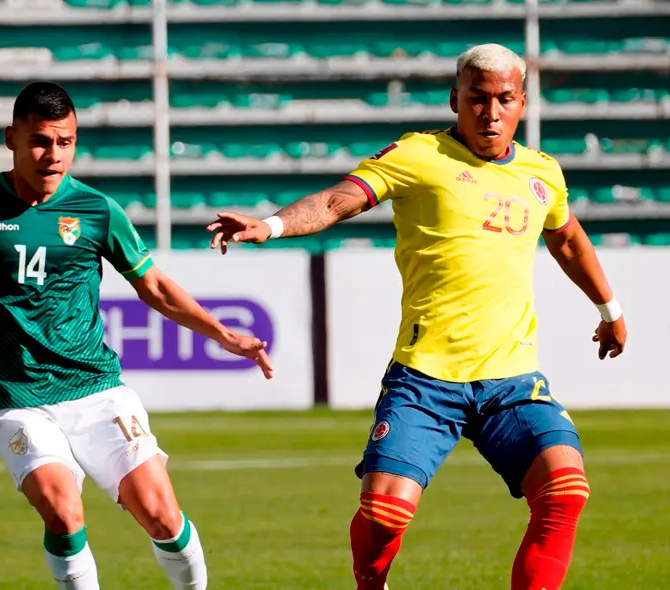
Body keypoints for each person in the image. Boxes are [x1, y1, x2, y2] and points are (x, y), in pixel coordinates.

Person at [206, 43, 627, 590]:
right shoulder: (417, 155)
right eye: (477, 98)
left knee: (565, 489)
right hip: (426, 379)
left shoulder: (542, 173)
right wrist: (272, 225)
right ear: (456, 99)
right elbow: (338, 201)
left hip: (513, 380)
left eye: (504, 99)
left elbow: (567, 240)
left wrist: (610, 309)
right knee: (384, 516)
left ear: (522, 103)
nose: (490, 112)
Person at [0, 81, 273, 590]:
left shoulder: (96, 210)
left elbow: (153, 286)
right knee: (63, 511)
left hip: (95, 388)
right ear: (11, 138)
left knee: (161, 516)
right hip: (18, 396)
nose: (53, 155)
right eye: (41, 141)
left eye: (65, 142)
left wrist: (223, 334)